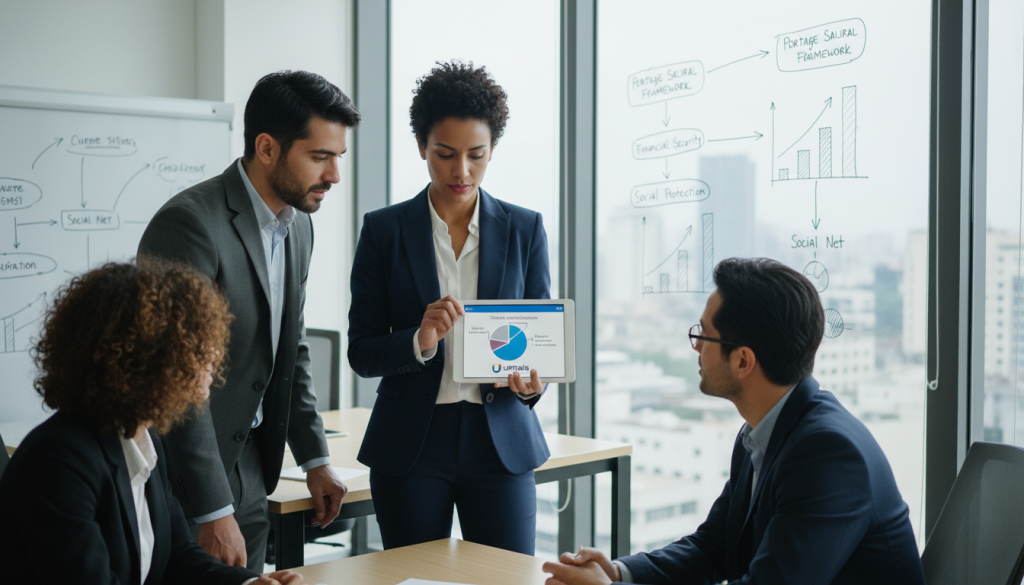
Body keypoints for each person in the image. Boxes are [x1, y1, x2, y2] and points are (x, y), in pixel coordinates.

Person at [543, 258, 926, 585]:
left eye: (703, 336)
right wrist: (619, 572)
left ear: (743, 361)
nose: (695, 347)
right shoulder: (764, 431)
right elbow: (714, 546)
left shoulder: (828, 454)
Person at [137, 70, 361, 571]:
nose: (334, 176)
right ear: (266, 148)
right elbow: (173, 378)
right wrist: (212, 508)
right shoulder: (190, 225)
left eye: (337, 158)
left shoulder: (299, 225)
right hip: (188, 481)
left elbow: (290, 351)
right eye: (320, 157)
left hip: (255, 471)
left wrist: (315, 460)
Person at [348, 60, 550, 555]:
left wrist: (532, 383)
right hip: (413, 444)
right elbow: (361, 350)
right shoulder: (384, 231)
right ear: (422, 147)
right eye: (445, 154)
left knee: (509, 578)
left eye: (476, 155)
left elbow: (540, 340)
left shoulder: (526, 229)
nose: (462, 171)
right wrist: (418, 340)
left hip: (500, 438)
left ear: (492, 151)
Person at [0, 261, 305, 584]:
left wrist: (248, 583)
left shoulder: (141, 437)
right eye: (196, 345)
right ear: (147, 359)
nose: (214, 356)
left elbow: (176, 554)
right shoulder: (58, 463)